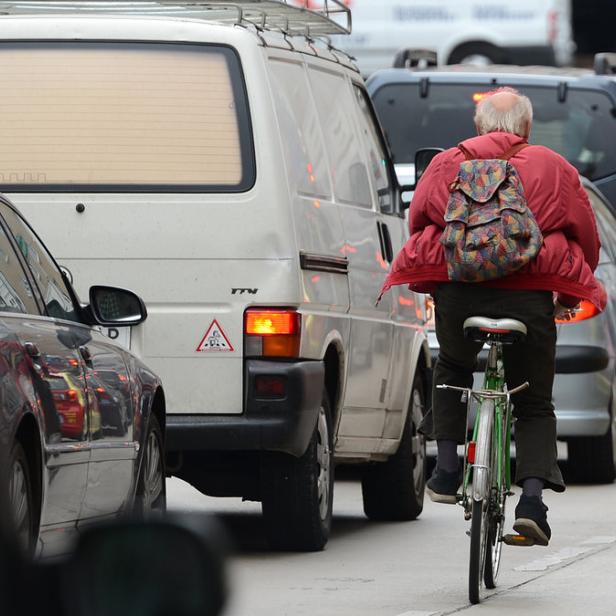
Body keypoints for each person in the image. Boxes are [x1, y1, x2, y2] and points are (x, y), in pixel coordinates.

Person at [380, 87, 606, 546]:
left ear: (480, 127)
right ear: (526, 128)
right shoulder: (553, 167)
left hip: (462, 291)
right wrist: (565, 292)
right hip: (530, 296)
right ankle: (532, 505)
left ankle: (445, 470)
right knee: (535, 402)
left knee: (453, 368)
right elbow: (587, 236)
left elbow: (419, 222)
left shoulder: (447, 163)